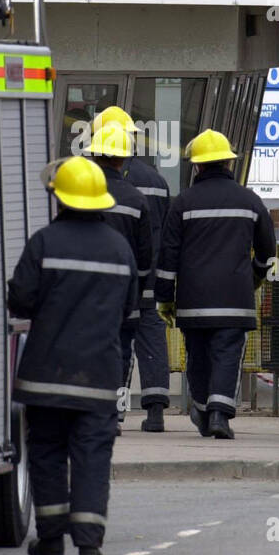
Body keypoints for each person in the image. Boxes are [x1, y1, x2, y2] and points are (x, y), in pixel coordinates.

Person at [8, 156, 137, 555]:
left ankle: (50, 539)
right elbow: (129, 311)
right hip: (99, 376)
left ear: (59, 199)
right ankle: (89, 543)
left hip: (46, 376)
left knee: (46, 452)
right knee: (93, 456)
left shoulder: (44, 242)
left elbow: (20, 300)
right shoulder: (120, 249)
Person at [154, 129, 276, 440]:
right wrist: (254, 278)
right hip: (235, 299)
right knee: (227, 355)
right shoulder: (250, 201)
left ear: (197, 166)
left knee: (197, 355)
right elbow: (267, 251)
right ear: (229, 164)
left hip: (193, 301)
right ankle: (220, 414)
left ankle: (202, 409)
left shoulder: (183, 203)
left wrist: (165, 298)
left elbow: (168, 255)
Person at [93, 106, 172, 432]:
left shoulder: (91, 184)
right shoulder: (155, 180)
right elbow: (165, 232)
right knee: (151, 342)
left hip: (107, 284)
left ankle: (115, 410)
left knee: (112, 346)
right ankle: (155, 412)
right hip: (147, 278)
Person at [84, 120, 153, 435]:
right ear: (124, 159)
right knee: (121, 355)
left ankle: (89, 411)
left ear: (95, 157)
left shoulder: (82, 195)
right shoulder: (137, 199)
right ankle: (116, 414)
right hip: (125, 297)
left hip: (86, 295)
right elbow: (144, 258)